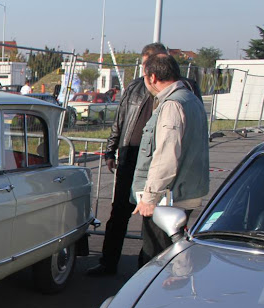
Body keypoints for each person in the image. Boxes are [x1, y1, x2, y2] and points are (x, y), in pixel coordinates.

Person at [86, 43, 201, 276]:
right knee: (120, 214)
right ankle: (110, 263)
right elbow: (120, 120)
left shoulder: (180, 96)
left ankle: (148, 274)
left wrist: (151, 193)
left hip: (160, 170)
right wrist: (111, 150)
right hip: (132, 160)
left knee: (155, 229)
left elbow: (168, 150)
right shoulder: (136, 88)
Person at [131, 53, 209, 266]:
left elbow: (166, 155)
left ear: (152, 77)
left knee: (156, 257)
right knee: (167, 255)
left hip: (168, 198)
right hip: (182, 192)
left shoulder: (172, 105)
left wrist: (150, 197)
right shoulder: (190, 99)